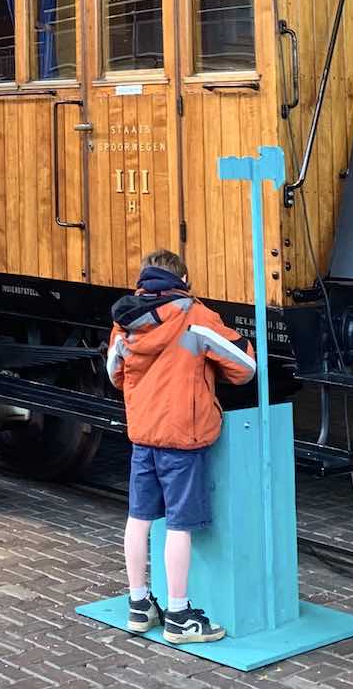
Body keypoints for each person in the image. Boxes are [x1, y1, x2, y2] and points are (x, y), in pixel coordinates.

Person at [107, 250, 257, 645]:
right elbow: (245, 366)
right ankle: (179, 615)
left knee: (138, 518)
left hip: (143, 436)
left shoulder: (124, 321)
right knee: (179, 525)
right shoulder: (195, 316)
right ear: (183, 279)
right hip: (182, 439)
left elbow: (114, 374)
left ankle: (139, 606)